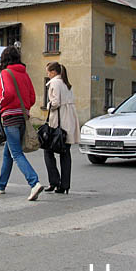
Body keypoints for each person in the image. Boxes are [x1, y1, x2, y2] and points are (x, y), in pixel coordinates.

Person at [0, 46, 44, 201]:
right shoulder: (24, 74)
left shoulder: (5, 73)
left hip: (10, 118)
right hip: (22, 117)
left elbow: (8, 93)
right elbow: (32, 97)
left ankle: (34, 182)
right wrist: (24, 107)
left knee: (16, 153)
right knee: (8, 153)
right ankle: (0, 185)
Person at [43, 62, 80, 194]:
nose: (47, 74)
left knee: (48, 150)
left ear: (53, 72)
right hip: (69, 119)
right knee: (65, 153)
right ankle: (65, 185)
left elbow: (55, 103)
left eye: (48, 72)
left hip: (58, 121)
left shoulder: (54, 83)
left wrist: (48, 106)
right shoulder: (66, 83)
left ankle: (54, 181)